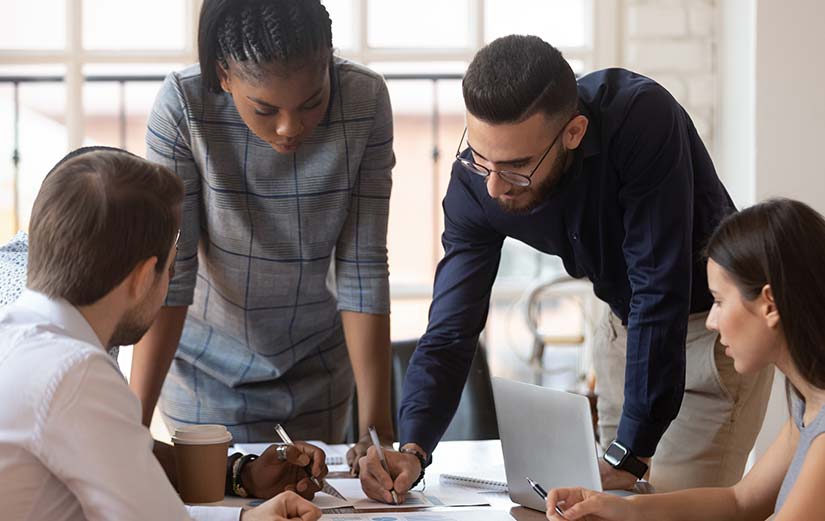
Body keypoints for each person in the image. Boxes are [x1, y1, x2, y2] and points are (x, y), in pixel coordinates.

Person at [358, 35, 774, 501]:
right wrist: (413, 448)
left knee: (672, 511)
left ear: (573, 133)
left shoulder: (641, 118)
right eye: (480, 156)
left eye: (516, 166)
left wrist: (630, 453)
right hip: (624, 332)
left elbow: (658, 287)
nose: (494, 187)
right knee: (609, 509)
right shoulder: (476, 182)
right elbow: (451, 329)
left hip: (712, 336)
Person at [0, 147, 323, 520]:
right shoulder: (75, 371)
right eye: (171, 265)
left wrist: (243, 515)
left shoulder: (22, 336)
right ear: (142, 278)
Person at [137, 0, 395, 465]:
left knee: (313, 495)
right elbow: (172, 276)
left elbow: (363, 268)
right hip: (205, 371)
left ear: (328, 60)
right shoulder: (183, 106)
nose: (289, 128)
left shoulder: (365, 100)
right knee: (220, 495)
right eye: (264, 109)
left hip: (318, 365)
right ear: (224, 75)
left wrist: (377, 437)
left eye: (312, 102)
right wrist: (131, 430)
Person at [544, 198, 825, 520]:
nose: (711, 322)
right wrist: (619, 508)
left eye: (719, 302)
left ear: (769, 305)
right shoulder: (806, 401)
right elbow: (740, 502)